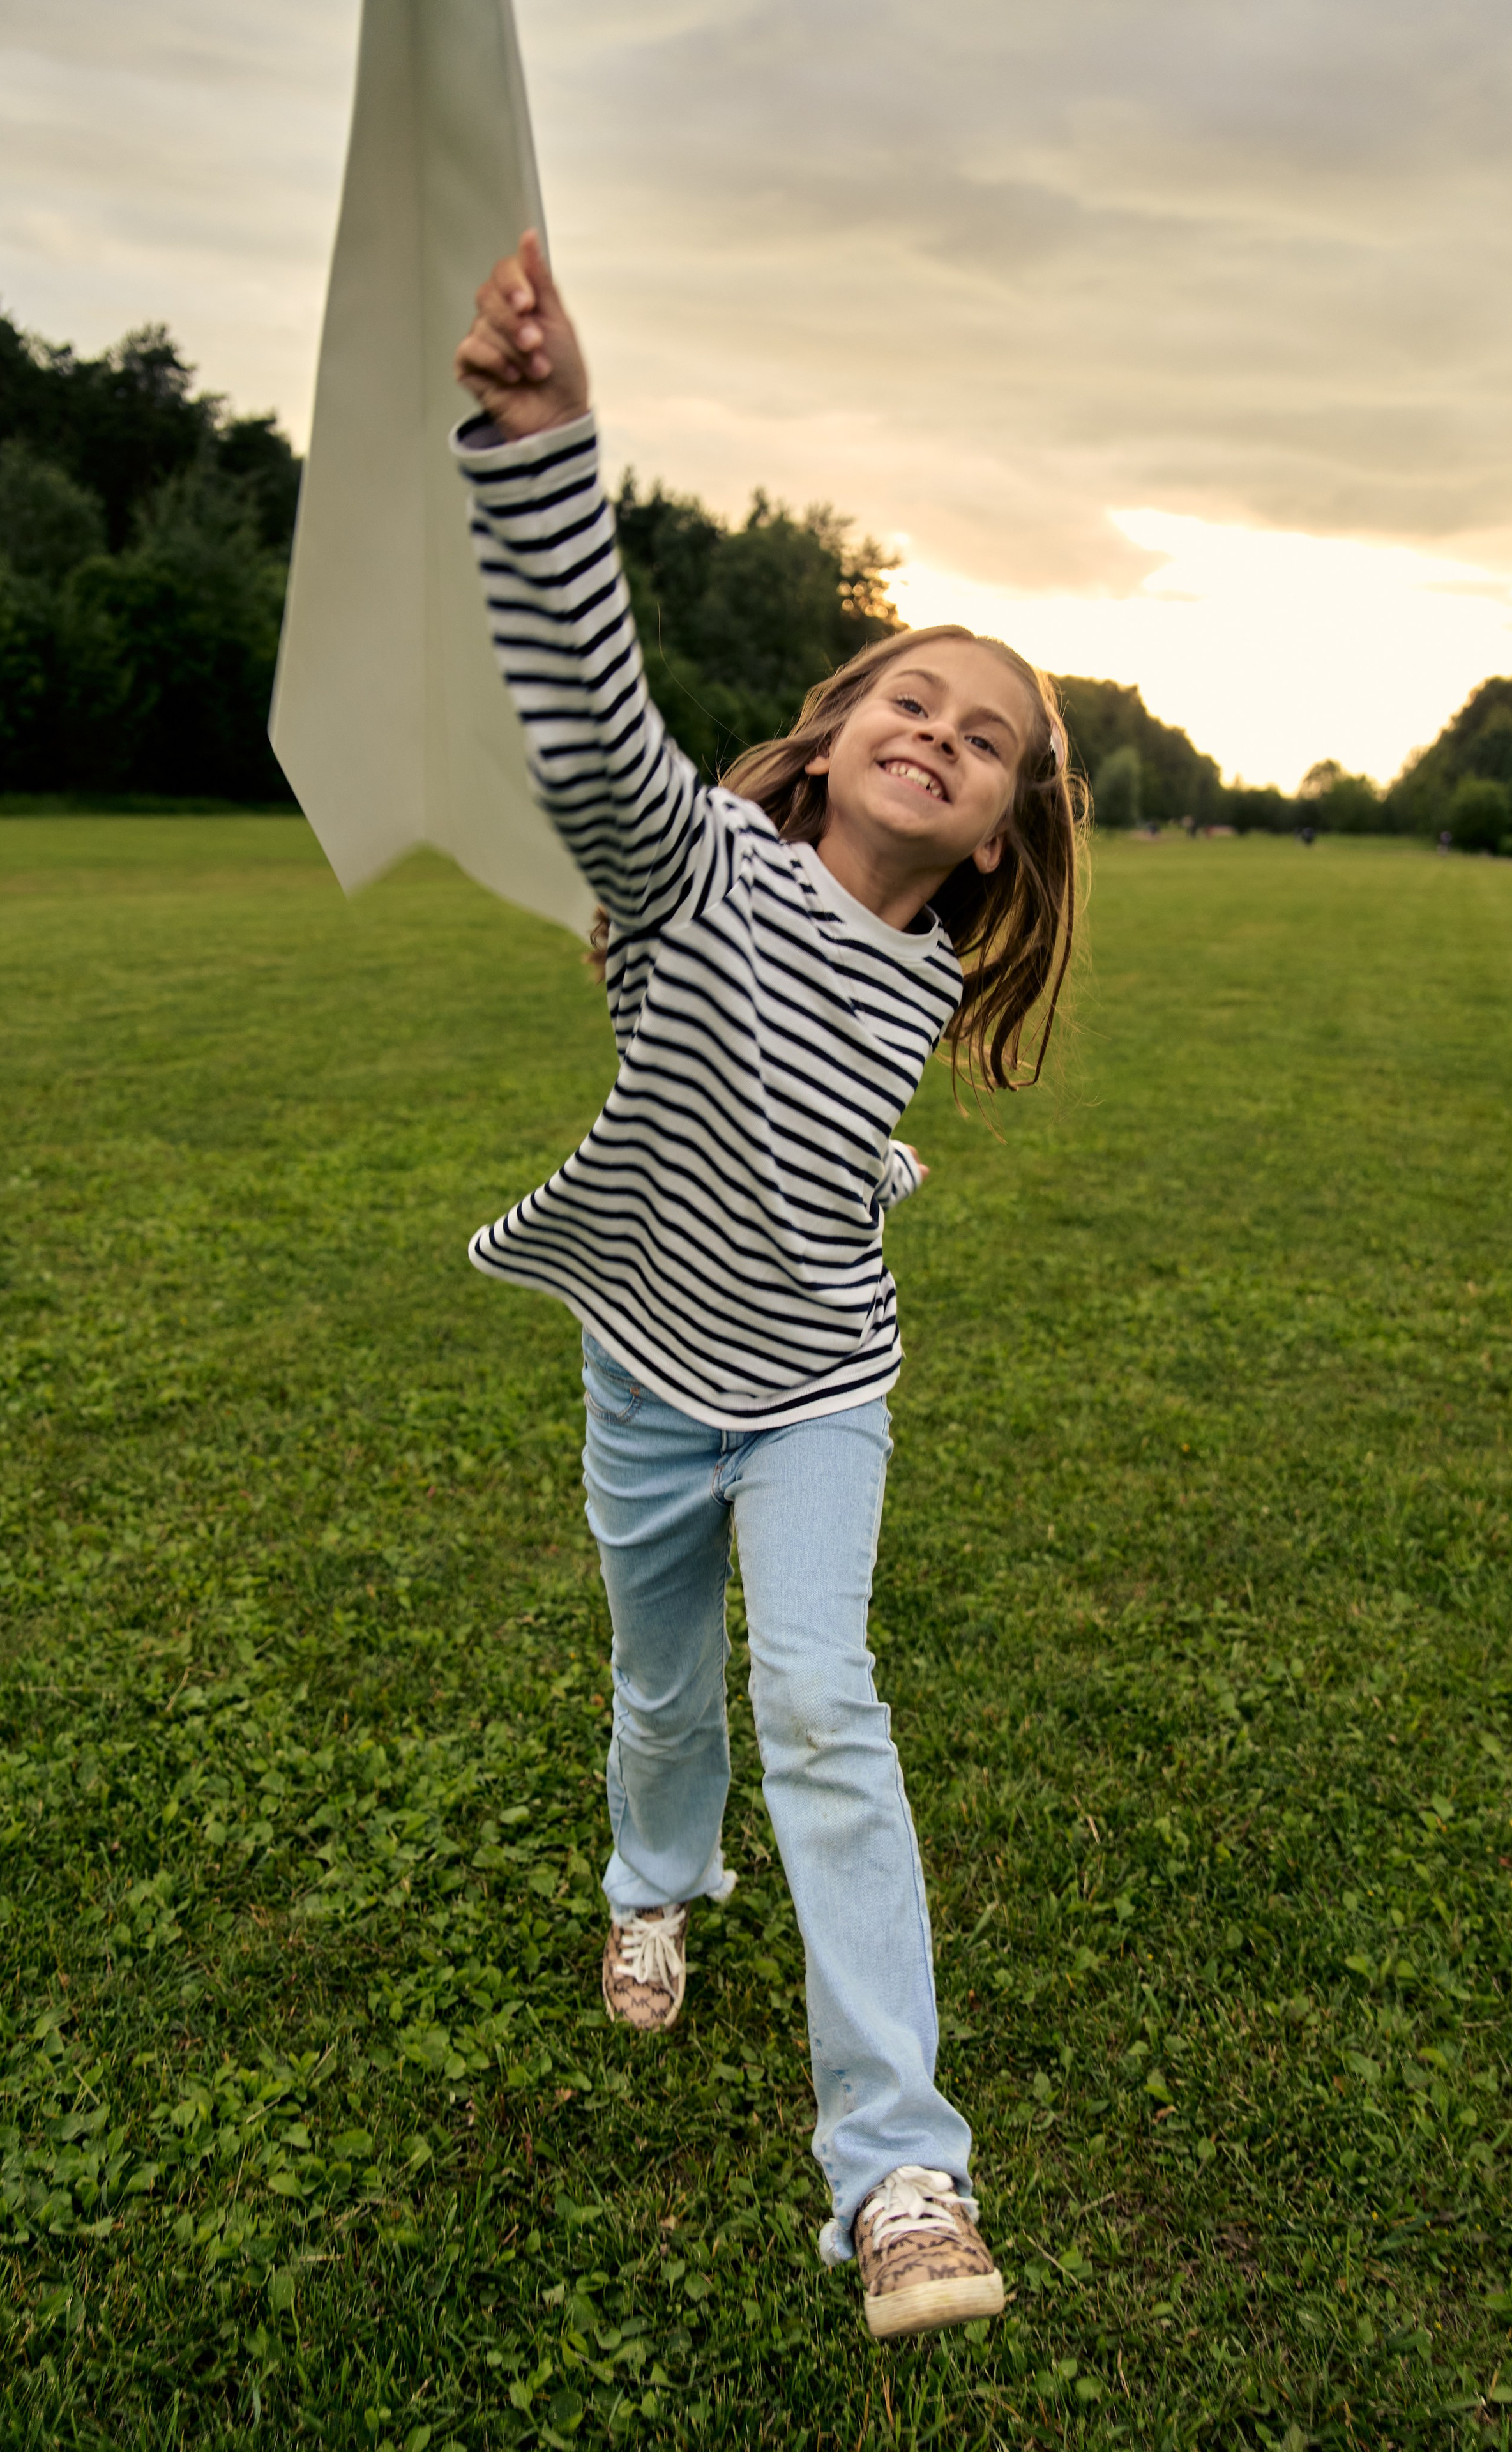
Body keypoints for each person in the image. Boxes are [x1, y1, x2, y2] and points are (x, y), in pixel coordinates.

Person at [452, 232, 1083, 2341]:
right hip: (651, 1381)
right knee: (661, 1696)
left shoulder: (918, 973)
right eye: (915, 697)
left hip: (820, 1392)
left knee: (821, 1703)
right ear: (825, 746)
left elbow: (829, 1125)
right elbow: (595, 731)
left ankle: (903, 2166)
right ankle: (657, 1886)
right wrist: (547, 447)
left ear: (995, 832)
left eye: (987, 739)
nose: (945, 733)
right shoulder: (691, 866)